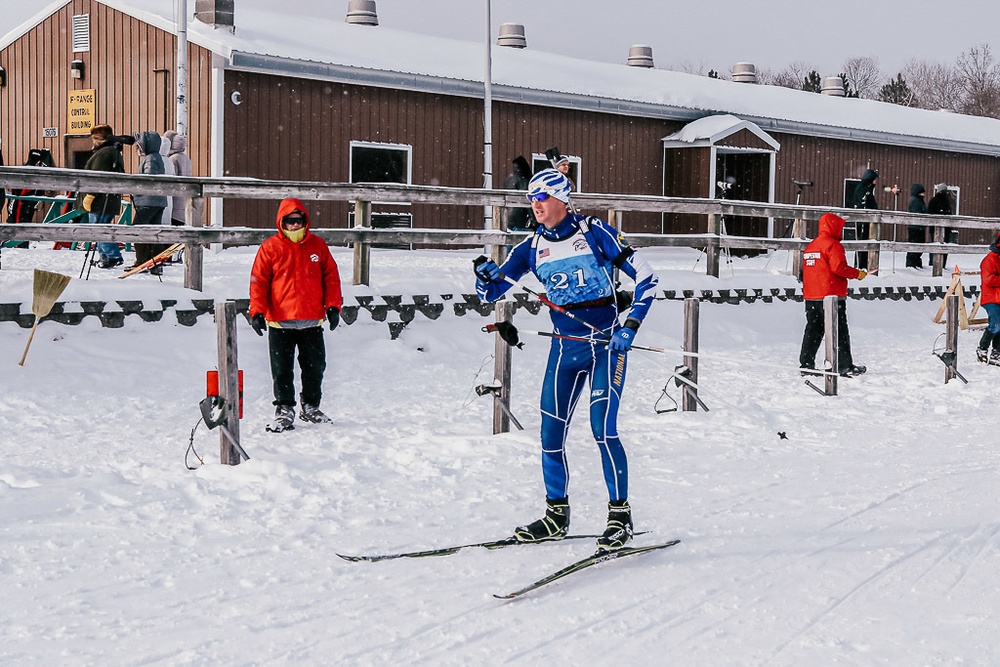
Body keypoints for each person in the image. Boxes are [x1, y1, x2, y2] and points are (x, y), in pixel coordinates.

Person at [474, 168, 660, 552]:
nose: (535, 204)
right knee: (550, 434)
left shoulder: (593, 232)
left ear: (562, 199)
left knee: (603, 429)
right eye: (531, 198)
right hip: (565, 348)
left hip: (606, 345)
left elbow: (647, 277)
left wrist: (631, 326)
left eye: (542, 197)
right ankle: (555, 516)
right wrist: (484, 275)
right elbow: (489, 294)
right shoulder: (530, 247)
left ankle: (620, 517)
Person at [249, 198, 343, 433]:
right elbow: (259, 281)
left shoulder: (318, 246)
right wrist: (257, 311)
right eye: (290, 221)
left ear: (305, 221)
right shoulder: (270, 247)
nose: (294, 225)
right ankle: (284, 408)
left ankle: (311, 406)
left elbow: (331, 277)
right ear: (282, 222)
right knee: (282, 370)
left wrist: (333, 306)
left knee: (315, 367)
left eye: (298, 220)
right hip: (280, 322)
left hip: (312, 320)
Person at [799, 212, 869, 377]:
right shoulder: (833, 245)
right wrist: (858, 274)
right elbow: (839, 268)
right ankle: (844, 365)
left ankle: (806, 364)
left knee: (813, 330)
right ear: (834, 227)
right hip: (831, 296)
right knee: (839, 331)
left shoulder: (811, 246)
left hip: (811, 296)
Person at [75, 124, 126, 268]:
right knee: (100, 227)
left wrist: (91, 195)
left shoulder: (104, 153)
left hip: (101, 199)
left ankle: (113, 255)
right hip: (108, 198)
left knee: (98, 228)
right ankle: (104, 257)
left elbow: (98, 177)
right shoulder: (112, 152)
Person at [130, 131, 169, 274]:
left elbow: (149, 179)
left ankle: (142, 261)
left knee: (138, 231)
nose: (138, 148)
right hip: (158, 201)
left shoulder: (150, 159)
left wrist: (135, 188)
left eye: (139, 145)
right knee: (154, 232)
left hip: (148, 201)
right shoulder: (156, 157)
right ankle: (155, 262)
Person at [163, 129, 204, 227]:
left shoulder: (173, 159)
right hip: (184, 199)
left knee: (172, 228)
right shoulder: (186, 158)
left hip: (175, 202)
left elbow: (171, 180)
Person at [976, 232, 1000, 365]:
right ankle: (982, 348)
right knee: (996, 324)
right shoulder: (989, 260)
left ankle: (996, 353)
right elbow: (988, 280)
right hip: (991, 298)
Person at [851, 168, 879, 271]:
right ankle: (861, 265)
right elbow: (862, 203)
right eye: (874, 179)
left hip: (867, 219)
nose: (876, 182)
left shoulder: (867, 188)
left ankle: (863, 264)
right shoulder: (864, 188)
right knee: (863, 241)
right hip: (863, 220)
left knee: (865, 241)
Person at [502, 155, 535, 231]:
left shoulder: (510, 178)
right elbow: (526, 199)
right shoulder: (524, 180)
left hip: (508, 216)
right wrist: (534, 219)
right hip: (519, 216)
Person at [928, 183, 956, 268]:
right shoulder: (945, 201)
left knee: (937, 246)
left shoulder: (937, 201)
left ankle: (936, 264)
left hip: (939, 229)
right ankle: (938, 265)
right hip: (940, 229)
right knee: (940, 246)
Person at [906, 183, 927, 269]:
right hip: (916, 227)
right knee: (915, 245)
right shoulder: (916, 201)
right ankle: (912, 263)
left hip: (917, 227)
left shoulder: (917, 200)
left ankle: (915, 262)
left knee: (917, 245)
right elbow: (917, 214)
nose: (923, 194)